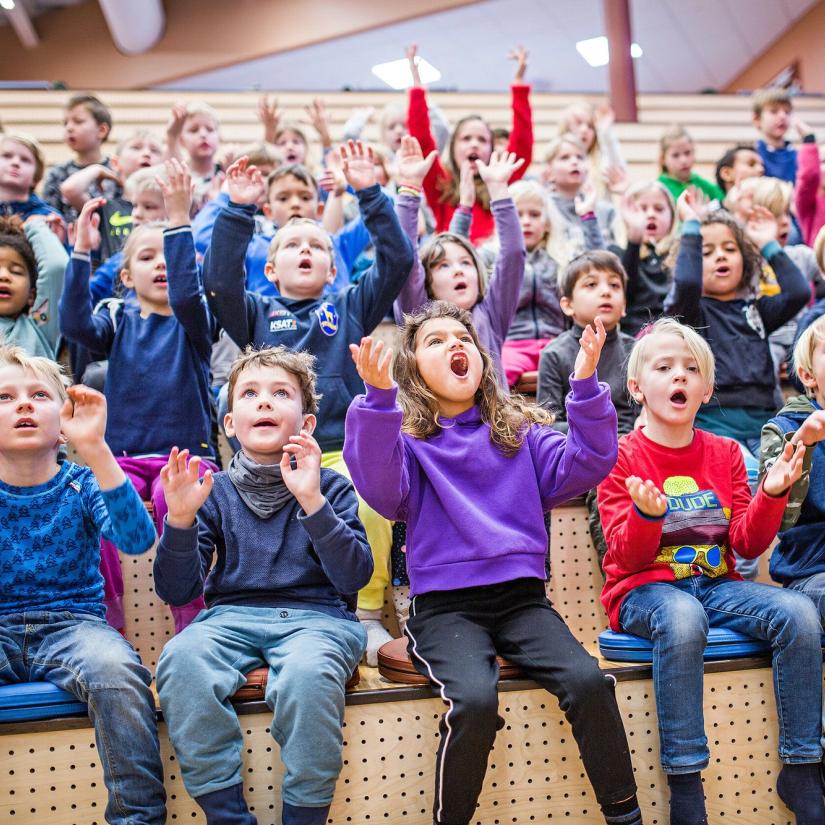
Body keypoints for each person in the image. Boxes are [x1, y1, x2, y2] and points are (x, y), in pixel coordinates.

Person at [344, 301, 643, 825]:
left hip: (522, 602)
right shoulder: (406, 443)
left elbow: (591, 461)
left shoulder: (520, 432)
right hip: (444, 611)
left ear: (481, 360)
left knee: (590, 683)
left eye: (461, 337)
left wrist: (586, 385)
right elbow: (379, 486)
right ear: (412, 369)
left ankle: (625, 815)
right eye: (434, 341)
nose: (454, 344)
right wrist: (378, 398)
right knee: (475, 703)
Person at [598, 317, 824, 825]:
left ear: (706, 389)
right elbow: (624, 557)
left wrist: (771, 492)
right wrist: (648, 517)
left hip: (717, 582)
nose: (679, 376)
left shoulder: (724, 453)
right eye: (664, 367)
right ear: (636, 387)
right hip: (643, 589)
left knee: (799, 613)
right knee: (681, 618)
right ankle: (685, 784)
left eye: (691, 369)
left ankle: (804, 767)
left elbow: (746, 542)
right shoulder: (621, 456)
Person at [203, 141, 414, 664]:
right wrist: (236, 210)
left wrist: (370, 193)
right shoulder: (255, 311)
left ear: (332, 267)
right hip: (268, 459)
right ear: (270, 270)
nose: (305, 251)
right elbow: (217, 282)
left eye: (317, 246)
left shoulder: (350, 304)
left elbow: (399, 260)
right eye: (292, 245)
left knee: (369, 497)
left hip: (342, 448)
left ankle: (365, 614)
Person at [155, 346, 371, 825]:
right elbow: (176, 590)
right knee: (180, 661)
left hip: (320, 620)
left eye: (281, 393)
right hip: (230, 619)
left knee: (307, 677)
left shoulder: (331, 487)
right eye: (250, 394)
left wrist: (312, 500)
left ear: (308, 424)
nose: (265, 402)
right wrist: (181, 519)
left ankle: (305, 817)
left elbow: (353, 577)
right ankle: (227, 815)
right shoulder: (214, 492)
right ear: (230, 423)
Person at [0, 347, 165, 825]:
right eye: (5, 397)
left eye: (38, 395)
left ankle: (138, 818)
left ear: (64, 418)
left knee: (118, 671)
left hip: (73, 627)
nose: (24, 405)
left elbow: (137, 538)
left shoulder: (83, 481)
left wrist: (96, 448)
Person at [59, 160, 217, 634]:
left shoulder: (195, 322)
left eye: (170, 257)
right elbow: (74, 324)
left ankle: (190, 614)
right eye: (148, 258)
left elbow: (189, 294)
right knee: (100, 512)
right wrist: (81, 254)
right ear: (126, 277)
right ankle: (110, 616)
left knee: (178, 512)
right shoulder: (117, 317)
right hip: (124, 460)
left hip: (186, 458)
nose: (163, 265)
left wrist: (178, 218)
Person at [392, 136, 526, 388]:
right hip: (433, 426)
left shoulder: (491, 312)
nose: (458, 271)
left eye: (466, 263)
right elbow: (404, 260)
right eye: (443, 265)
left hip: (493, 425)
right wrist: (409, 188)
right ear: (428, 283)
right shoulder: (419, 314)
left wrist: (498, 190)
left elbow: (513, 256)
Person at [407, 44, 532, 243]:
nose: (474, 144)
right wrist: (417, 86)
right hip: (451, 267)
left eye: (482, 140)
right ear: (453, 147)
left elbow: (522, 144)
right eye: (466, 138)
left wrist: (519, 86)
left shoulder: (500, 183)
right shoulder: (441, 185)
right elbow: (421, 139)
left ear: (491, 150)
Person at [760, 314, 825, 615]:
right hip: (810, 573)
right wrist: (804, 445)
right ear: (808, 375)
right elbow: (777, 520)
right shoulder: (784, 428)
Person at [537, 250, 637, 434]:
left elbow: (644, 414)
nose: (606, 292)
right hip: (578, 447)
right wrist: (594, 431)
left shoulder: (636, 351)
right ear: (568, 305)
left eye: (614, 285)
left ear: (623, 307)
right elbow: (548, 423)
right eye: (591, 284)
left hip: (629, 446)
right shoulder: (554, 354)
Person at [41, 93, 116, 223]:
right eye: (65, 123)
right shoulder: (57, 173)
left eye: (78, 121)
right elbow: (51, 215)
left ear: (102, 130)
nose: (69, 128)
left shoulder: (116, 170)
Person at [0, 215, 67, 360]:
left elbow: (57, 268)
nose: (4, 276)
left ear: (31, 296)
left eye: (16, 271)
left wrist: (34, 226)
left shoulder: (41, 324)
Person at [617, 181, 677, 336]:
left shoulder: (679, 253)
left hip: (673, 334)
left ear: (672, 216)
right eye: (642, 209)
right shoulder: (618, 253)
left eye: (659, 209)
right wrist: (634, 240)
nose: (651, 214)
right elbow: (624, 293)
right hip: (633, 338)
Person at [0, 132, 60, 221]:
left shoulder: (49, 217)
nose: (15, 162)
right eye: (7, 156)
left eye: (25, 160)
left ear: (35, 178)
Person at [657, 125, 723, 203]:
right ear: (663, 159)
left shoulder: (700, 182)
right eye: (675, 155)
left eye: (687, 153)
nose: (683, 160)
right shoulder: (659, 188)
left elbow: (723, 200)